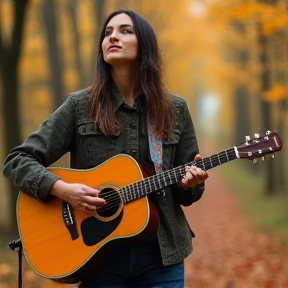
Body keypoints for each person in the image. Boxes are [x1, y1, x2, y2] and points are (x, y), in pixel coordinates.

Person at [2, 8, 208, 288]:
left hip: (162, 255)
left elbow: (186, 192)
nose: (113, 36)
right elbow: (17, 160)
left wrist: (191, 183)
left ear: (144, 44)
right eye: (108, 32)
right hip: (97, 257)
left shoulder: (174, 109)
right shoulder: (80, 106)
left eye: (125, 30)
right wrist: (61, 189)